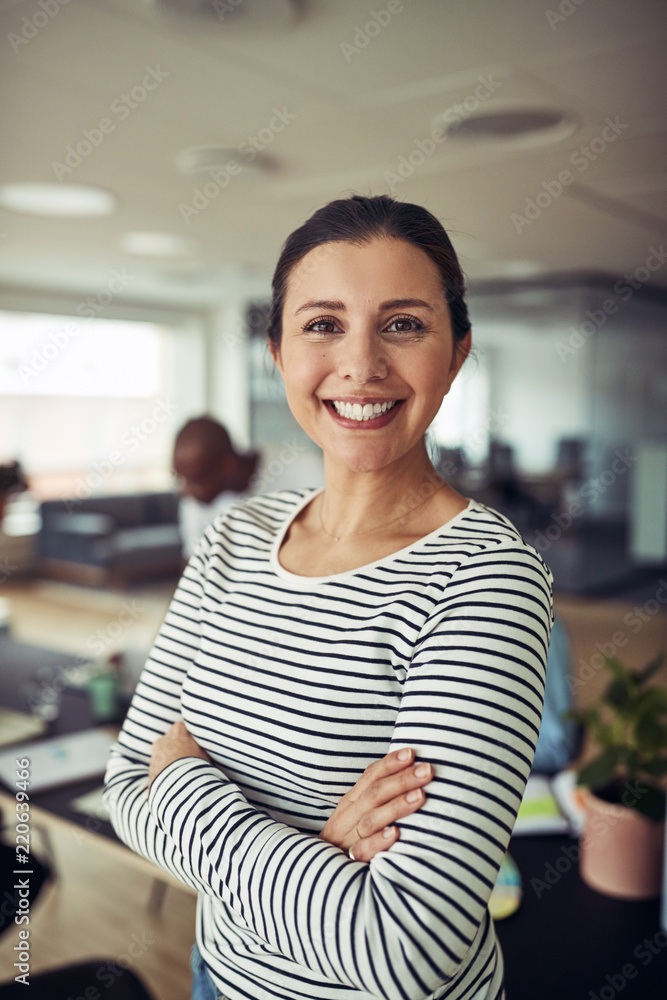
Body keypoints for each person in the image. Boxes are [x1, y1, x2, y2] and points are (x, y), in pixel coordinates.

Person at [104, 194, 553, 1000]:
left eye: (404, 324)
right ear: (277, 354)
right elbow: (121, 787)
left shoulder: (485, 580)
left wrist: (183, 784)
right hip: (220, 974)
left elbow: (406, 954)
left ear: (455, 354)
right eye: (322, 324)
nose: (361, 364)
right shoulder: (234, 540)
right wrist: (318, 844)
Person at [172, 416, 259, 558]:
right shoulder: (193, 504)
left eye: (194, 481)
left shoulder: (295, 472)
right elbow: (193, 561)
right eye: (180, 479)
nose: (185, 491)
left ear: (226, 466)